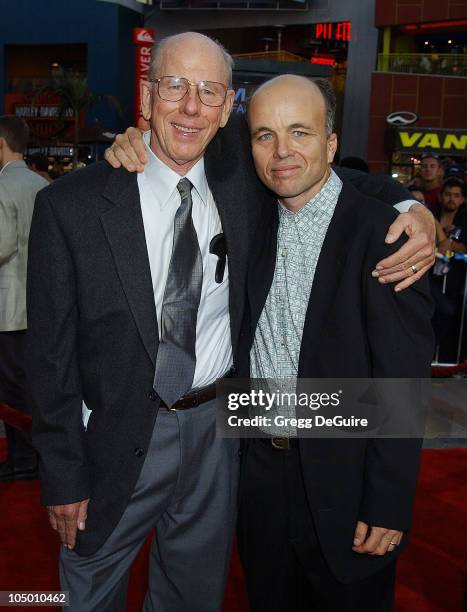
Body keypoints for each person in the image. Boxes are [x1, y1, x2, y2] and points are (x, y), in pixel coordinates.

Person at [26, 32, 267, 612]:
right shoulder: (71, 206)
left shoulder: (245, 185)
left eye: (208, 91)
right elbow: (50, 356)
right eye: (176, 86)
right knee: (87, 595)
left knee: (193, 595)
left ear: (228, 104)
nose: (191, 106)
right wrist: (63, 475)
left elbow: (322, 171)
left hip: (215, 432)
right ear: (148, 93)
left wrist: (409, 208)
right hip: (112, 437)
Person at [235, 75, 433, 612]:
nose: (281, 153)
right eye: (264, 135)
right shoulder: (248, 219)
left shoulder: (385, 235)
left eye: (300, 132)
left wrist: (389, 502)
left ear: (331, 142)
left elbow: (401, 379)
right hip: (257, 475)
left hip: (347, 481)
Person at [0, 115, 48, 482]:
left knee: (11, 389)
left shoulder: (3, 185)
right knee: (31, 384)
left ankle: (22, 460)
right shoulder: (40, 183)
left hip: (8, 307)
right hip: (37, 304)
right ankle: (34, 455)